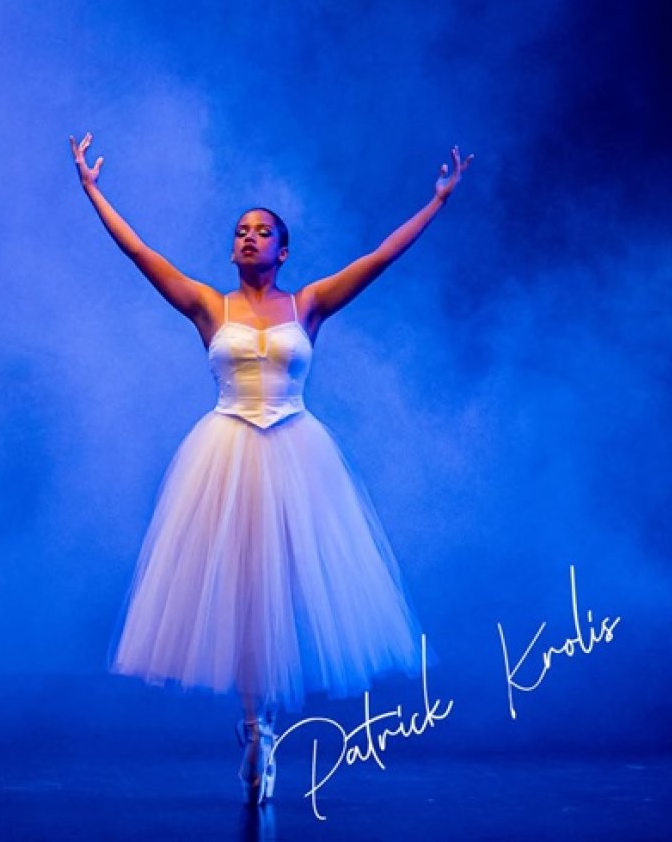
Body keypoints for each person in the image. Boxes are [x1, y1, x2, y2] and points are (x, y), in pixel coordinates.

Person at [69, 133, 472, 806]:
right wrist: (92, 190)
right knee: (250, 598)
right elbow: (140, 253)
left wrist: (435, 202)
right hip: (226, 449)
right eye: (241, 231)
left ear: (283, 250)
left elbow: (380, 257)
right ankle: (257, 725)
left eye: (263, 232)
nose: (250, 238)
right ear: (232, 249)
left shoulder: (308, 303)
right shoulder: (208, 304)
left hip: (295, 448)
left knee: (282, 592)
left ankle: (266, 724)